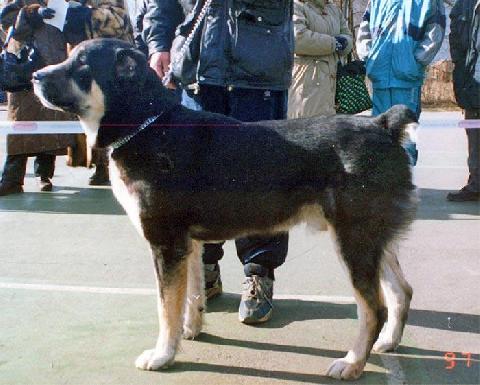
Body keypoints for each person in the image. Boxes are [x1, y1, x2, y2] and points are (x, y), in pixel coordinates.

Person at [141, 0, 294, 324]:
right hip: (197, 71)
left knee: (260, 181)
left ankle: (259, 271)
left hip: (258, 73)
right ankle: (205, 269)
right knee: (194, 183)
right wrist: (157, 43)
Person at [356, 0, 446, 165]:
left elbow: (436, 30)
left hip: (407, 78)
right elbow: (365, 27)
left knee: (406, 132)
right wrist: (367, 55)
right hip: (380, 76)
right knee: (378, 132)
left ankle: (404, 184)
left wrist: (417, 60)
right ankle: (381, 182)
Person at [0, 0, 75, 196]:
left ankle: (44, 177)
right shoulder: (16, 3)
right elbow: (10, 27)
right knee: (20, 129)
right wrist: (33, 13)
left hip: (52, 68)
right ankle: (11, 179)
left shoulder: (61, 2)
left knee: (48, 126)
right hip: (23, 71)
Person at [63, 0, 133, 185]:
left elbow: (118, 20)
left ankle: (112, 165)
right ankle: (100, 165)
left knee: (112, 114)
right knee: (89, 114)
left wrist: (88, 14)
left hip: (110, 61)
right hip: (81, 63)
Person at [288, 0, 352, 119]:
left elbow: (348, 36)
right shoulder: (296, 6)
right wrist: (334, 43)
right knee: (305, 129)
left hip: (332, 85)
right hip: (307, 84)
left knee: (329, 132)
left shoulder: (333, 9)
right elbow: (297, 39)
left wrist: (344, 43)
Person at [447, 0, 480, 202]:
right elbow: (455, 39)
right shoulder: (464, 4)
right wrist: (459, 65)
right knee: (474, 136)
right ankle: (475, 185)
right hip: (471, 85)